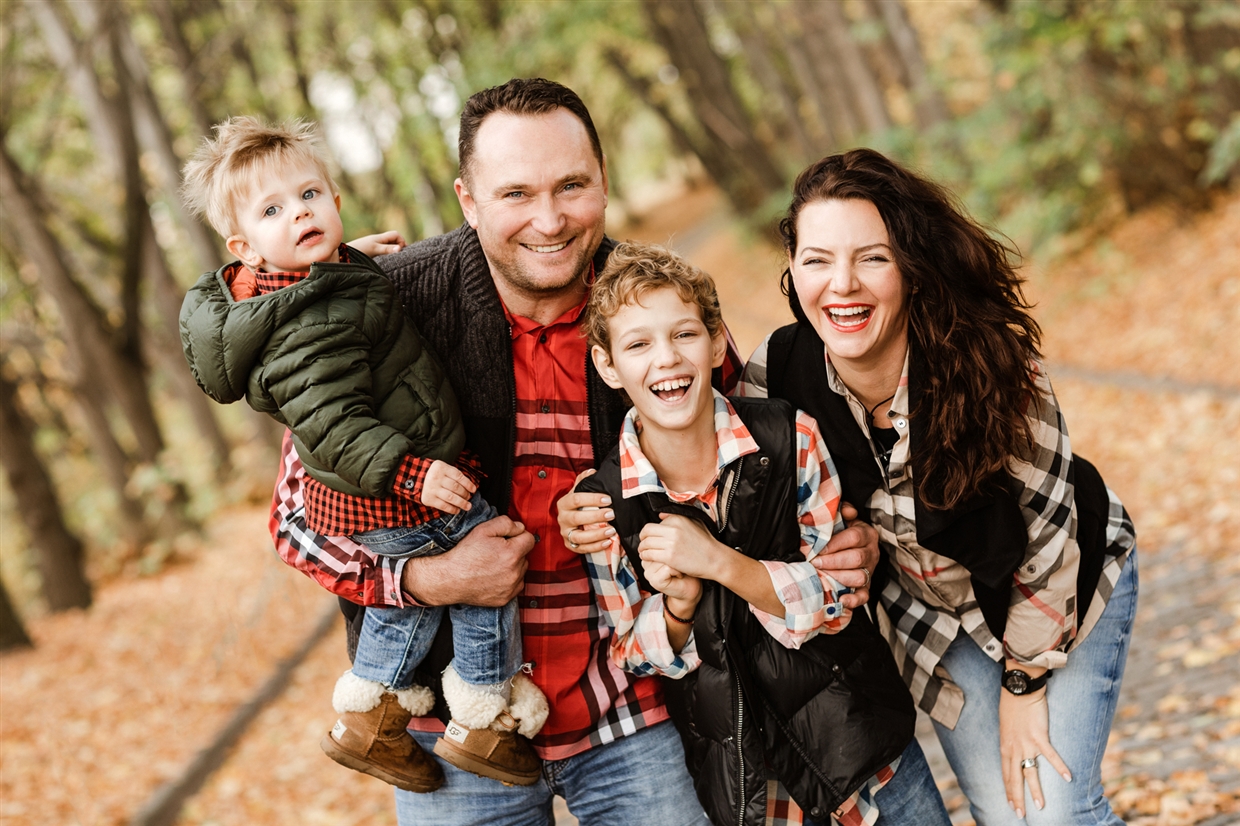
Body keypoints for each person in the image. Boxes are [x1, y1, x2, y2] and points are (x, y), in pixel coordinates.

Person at [267, 78, 881, 824]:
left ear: (604, 183)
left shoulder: (655, 306)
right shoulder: (388, 305)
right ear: (468, 200)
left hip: (637, 710)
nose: (550, 220)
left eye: (571, 186)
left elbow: (760, 459)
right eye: (516, 194)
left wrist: (839, 538)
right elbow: (293, 521)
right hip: (454, 732)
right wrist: (430, 578)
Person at [739, 149, 1137, 825]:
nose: (842, 285)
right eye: (816, 260)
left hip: (1059, 587)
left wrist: (1023, 682)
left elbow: (1048, 540)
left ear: (911, 271)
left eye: (872, 257)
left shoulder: (989, 365)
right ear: (792, 270)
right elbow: (723, 479)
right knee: (1007, 812)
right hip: (934, 617)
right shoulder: (776, 375)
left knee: (1054, 814)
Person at [178, 116, 548, 794]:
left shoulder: (316, 285)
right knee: (489, 554)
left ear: (335, 202)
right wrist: (416, 472)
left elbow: (328, 304)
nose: (300, 213)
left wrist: (356, 262)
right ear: (245, 248)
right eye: (273, 210)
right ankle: (484, 710)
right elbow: (335, 423)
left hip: (363, 491)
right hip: (386, 484)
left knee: (409, 600)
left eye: (310, 196)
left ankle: (369, 716)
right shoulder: (306, 326)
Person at [559, 241, 951, 826]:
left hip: (859, 739)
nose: (665, 359)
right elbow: (632, 650)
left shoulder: (790, 437)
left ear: (717, 342)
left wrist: (719, 563)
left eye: (684, 335)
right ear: (608, 365)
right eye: (638, 344)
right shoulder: (605, 504)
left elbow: (840, 596)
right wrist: (678, 608)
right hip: (749, 774)